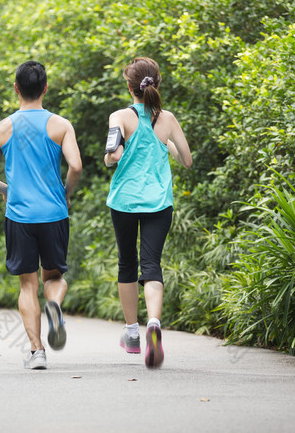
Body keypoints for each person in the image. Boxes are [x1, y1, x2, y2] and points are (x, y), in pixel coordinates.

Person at [0, 61, 82, 370]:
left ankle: (37, 351)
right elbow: (75, 166)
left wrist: (5, 190)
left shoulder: (1, 128)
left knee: (27, 285)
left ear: (16, 89)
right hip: (53, 213)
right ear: (45, 88)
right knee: (54, 276)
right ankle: (54, 306)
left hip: (19, 216)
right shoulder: (61, 125)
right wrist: (65, 193)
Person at [104, 57, 192, 368]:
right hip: (159, 203)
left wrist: (117, 154)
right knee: (151, 263)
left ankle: (132, 334)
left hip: (125, 202)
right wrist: (164, 144)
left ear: (130, 87)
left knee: (127, 263)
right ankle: (154, 322)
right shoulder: (168, 119)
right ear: (156, 85)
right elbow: (187, 161)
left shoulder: (119, 116)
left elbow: (112, 156)